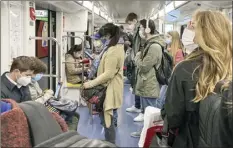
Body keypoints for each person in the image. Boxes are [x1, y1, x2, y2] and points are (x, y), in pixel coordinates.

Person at [162, 10, 232, 148]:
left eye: (193, 27)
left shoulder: (185, 69)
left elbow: (173, 117)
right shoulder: (228, 66)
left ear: (201, 34)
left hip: (189, 139)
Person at [83, 23, 125, 144]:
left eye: (102, 37)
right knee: (108, 118)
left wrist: (90, 84)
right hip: (108, 86)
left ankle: (110, 143)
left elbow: (108, 74)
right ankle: (109, 141)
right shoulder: (114, 46)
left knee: (107, 118)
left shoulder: (113, 50)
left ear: (108, 35)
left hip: (110, 87)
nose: (100, 40)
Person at [130, 19, 165, 137]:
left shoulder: (154, 46)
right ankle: (144, 133)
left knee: (151, 112)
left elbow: (144, 66)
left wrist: (137, 58)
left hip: (150, 83)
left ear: (147, 29)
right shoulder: (149, 44)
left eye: (141, 28)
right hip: (146, 82)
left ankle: (150, 135)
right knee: (146, 112)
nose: (140, 31)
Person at [29, 57, 79, 131]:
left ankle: (68, 134)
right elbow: (33, 103)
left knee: (74, 114)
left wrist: (46, 94)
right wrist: (46, 95)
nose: (40, 75)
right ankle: (66, 135)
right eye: (39, 73)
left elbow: (40, 94)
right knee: (72, 117)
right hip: (38, 110)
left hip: (43, 106)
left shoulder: (34, 82)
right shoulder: (27, 86)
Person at [125, 12, 142, 114]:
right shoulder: (135, 33)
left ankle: (140, 108)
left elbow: (140, 47)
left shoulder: (140, 31)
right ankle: (137, 105)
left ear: (135, 21)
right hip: (136, 60)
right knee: (136, 84)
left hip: (139, 60)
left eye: (130, 23)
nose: (129, 26)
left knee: (139, 85)